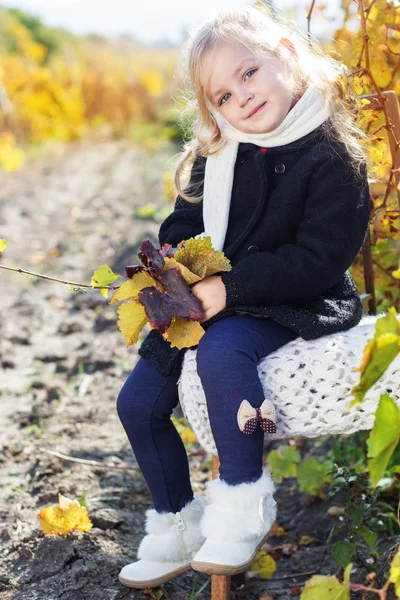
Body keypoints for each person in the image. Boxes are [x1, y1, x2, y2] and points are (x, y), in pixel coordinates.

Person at [116, 4, 371, 589]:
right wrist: (175, 269)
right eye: (223, 96)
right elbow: (183, 224)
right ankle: (177, 522)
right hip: (211, 296)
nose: (241, 100)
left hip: (293, 298)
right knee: (138, 401)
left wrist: (230, 288)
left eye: (248, 74)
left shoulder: (331, 154)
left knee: (222, 355)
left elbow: (319, 258)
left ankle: (241, 502)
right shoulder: (222, 152)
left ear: (284, 53)